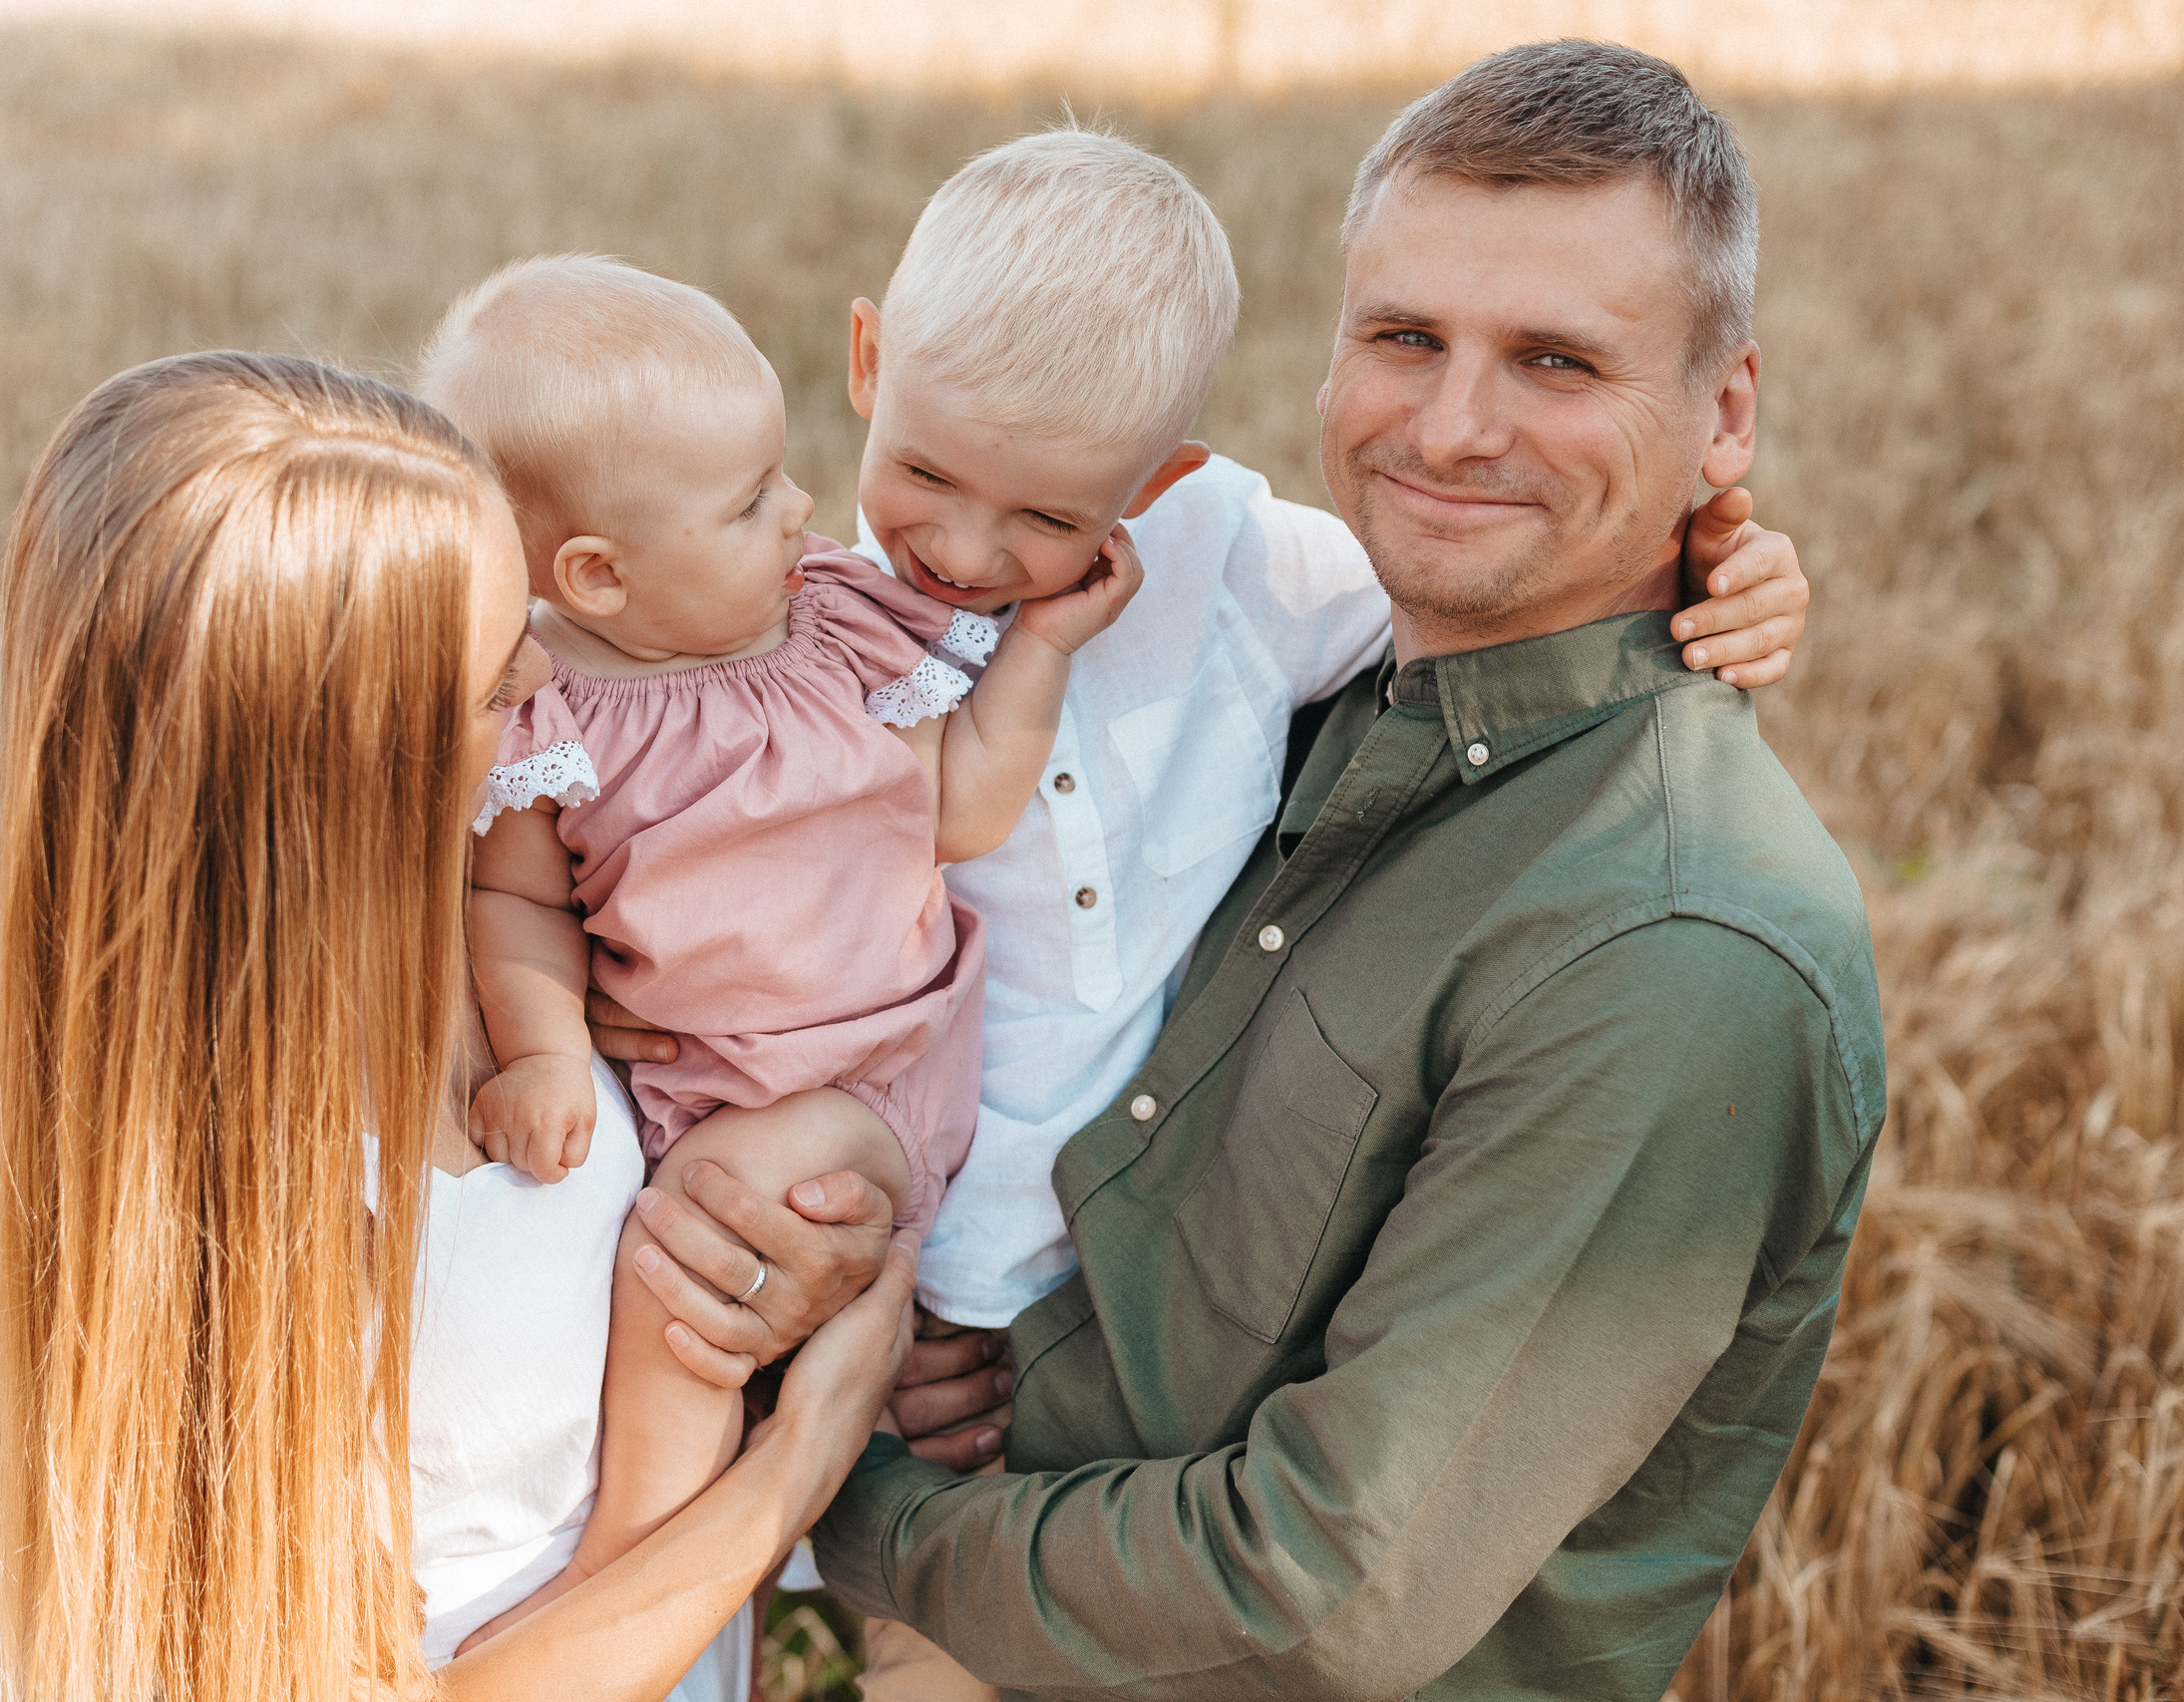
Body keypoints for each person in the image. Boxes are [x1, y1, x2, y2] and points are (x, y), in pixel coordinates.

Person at [596, 122, 1818, 1698]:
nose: (969, 556)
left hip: (1039, 1436)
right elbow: (603, 729)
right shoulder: (807, 622)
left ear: (1156, 479)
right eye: (1403, 339)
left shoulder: (1248, 580)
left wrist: (1724, 565)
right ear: (865, 362)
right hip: (891, 1285)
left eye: (1557, 361)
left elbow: (1504, 593)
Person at [0, 348, 916, 1702]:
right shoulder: (231, 1185)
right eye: (485, 682)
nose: (544, 673)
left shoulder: (523, 895)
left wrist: (810, 1261)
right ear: (327, 775)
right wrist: (796, 1461)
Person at [412, 256, 1142, 1634]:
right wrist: (549, 1055)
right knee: (658, 1242)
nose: (805, 511)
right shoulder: (546, 712)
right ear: (596, 574)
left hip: (859, 1080)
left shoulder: (832, 626)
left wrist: (1042, 646)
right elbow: (514, 906)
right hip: (691, 1079)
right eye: (751, 500)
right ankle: (667, 1563)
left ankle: (633, 1551)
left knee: (693, 1243)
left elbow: (959, 807)